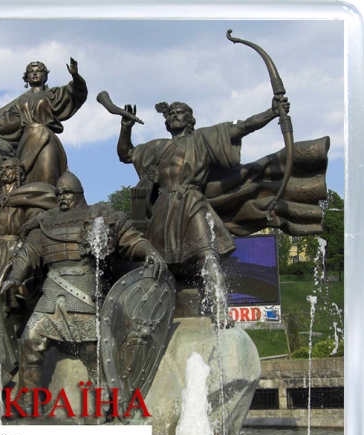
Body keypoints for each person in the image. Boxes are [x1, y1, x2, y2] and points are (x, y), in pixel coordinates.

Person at [0, 171, 166, 414]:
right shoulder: (44, 222)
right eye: (59, 193)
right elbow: (28, 254)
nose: (62, 197)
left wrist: (148, 250)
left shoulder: (99, 215)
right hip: (51, 295)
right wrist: (15, 277)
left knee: (93, 350)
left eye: (67, 193)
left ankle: (103, 404)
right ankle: (28, 401)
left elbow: (130, 239)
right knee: (28, 341)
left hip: (85, 290)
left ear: (78, 194)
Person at [117, 98, 295, 323]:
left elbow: (243, 126)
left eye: (180, 112)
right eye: (171, 113)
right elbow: (126, 154)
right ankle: (147, 314)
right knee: (156, 262)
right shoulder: (156, 147)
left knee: (208, 254)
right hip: (163, 210)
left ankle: (220, 308)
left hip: (192, 201)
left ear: (189, 119)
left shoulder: (202, 139)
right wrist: (126, 127)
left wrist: (272, 112)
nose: (174, 115)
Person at [0, 59, 87, 187]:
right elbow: (12, 122)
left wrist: (75, 75)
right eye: (31, 72)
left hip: (46, 139)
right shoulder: (20, 102)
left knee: (48, 178)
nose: (34, 73)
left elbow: (76, 92)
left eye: (38, 71)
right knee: (25, 182)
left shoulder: (53, 94)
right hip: (26, 143)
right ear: (26, 78)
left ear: (45, 76)